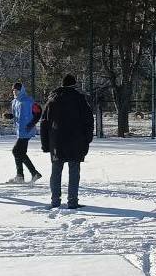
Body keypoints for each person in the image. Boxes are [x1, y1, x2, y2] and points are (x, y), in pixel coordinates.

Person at [40, 73, 94, 209]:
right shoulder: (80, 99)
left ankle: (55, 201)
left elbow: (44, 123)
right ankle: (72, 201)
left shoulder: (52, 100)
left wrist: (45, 144)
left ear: (62, 85)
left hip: (56, 141)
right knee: (74, 171)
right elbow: (88, 121)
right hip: (76, 140)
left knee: (56, 170)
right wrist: (87, 139)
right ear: (74, 84)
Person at [8, 81, 42, 184]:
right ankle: (25, 175)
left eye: (17, 90)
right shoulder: (15, 101)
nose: (15, 92)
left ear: (21, 90)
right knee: (21, 153)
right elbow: (17, 115)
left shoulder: (28, 101)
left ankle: (24, 175)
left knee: (16, 151)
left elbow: (38, 112)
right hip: (20, 130)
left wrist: (32, 123)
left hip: (27, 130)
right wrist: (10, 116)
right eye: (14, 90)